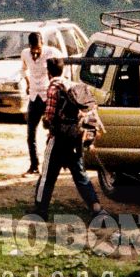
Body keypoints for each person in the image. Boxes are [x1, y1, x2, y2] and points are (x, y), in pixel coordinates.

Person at [35, 58, 104, 222]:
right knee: (81, 176)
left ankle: (40, 210)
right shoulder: (71, 85)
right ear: (62, 69)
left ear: (48, 72)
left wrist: (46, 122)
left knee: (47, 176)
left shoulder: (53, 87)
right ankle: (97, 209)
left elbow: (50, 116)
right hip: (75, 138)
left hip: (58, 138)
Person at [20, 29, 67, 174]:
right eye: (33, 50)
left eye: (38, 50)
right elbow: (23, 70)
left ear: (43, 45)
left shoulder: (51, 52)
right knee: (30, 133)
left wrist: (57, 84)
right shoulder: (25, 54)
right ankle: (34, 165)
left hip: (48, 95)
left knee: (55, 130)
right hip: (34, 96)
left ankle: (58, 163)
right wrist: (28, 83)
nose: (35, 53)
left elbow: (62, 66)